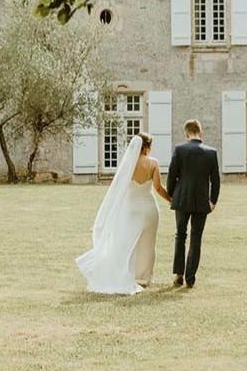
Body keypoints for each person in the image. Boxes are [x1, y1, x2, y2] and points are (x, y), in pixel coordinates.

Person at [75, 133, 172, 294]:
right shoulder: (153, 163)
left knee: (128, 241)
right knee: (148, 243)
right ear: (147, 147)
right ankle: (144, 276)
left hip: (131, 207)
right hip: (149, 208)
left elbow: (119, 188)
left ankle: (128, 272)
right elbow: (158, 188)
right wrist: (170, 199)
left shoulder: (128, 163)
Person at [166, 118, 219, 289]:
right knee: (196, 238)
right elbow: (215, 180)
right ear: (200, 132)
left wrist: (171, 195)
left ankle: (179, 275)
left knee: (180, 235)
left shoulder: (179, 150)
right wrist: (213, 200)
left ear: (186, 133)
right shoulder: (211, 152)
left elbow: (171, 175)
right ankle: (190, 277)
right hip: (202, 201)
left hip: (182, 198)